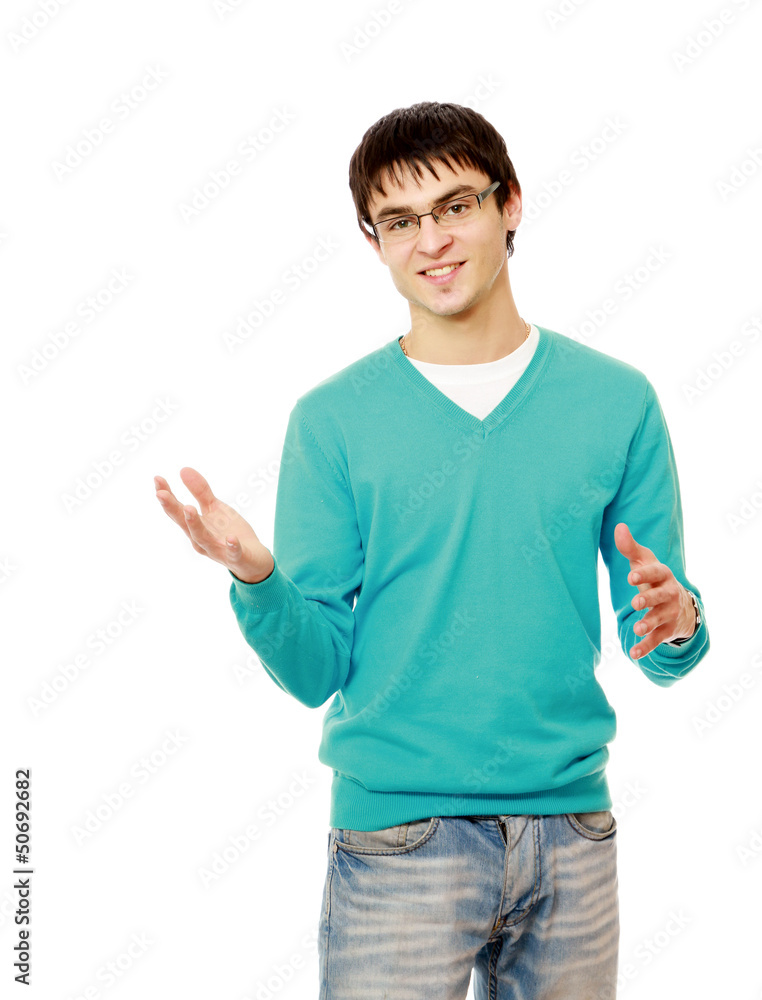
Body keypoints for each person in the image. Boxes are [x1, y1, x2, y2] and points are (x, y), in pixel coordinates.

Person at [154, 101, 710, 999]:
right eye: (400, 220)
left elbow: (663, 648)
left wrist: (677, 618)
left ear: (510, 203)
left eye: (455, 206)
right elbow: (315, 672)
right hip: (398, 842)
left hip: (571, 836)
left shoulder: (618, 401)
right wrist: (258, 579)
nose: (432, 241)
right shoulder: (333, 420)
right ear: (374, 241)